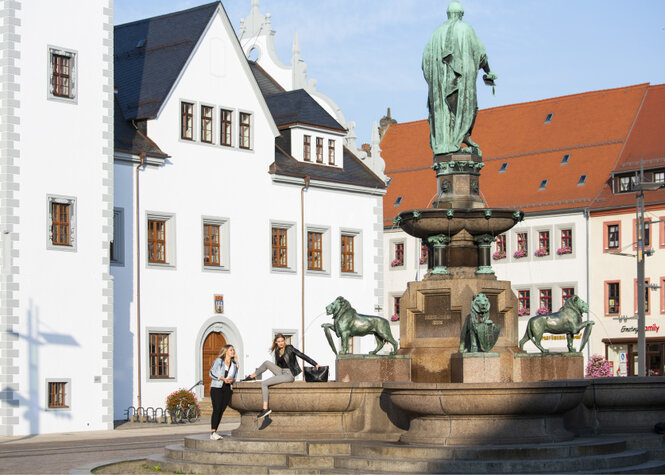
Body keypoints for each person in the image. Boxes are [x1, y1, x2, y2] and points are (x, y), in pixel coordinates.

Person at [422, 0, 497, 157]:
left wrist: (435, 83)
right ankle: (459, 138)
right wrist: (488, 72)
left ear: (448, 14)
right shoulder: (466, 28)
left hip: (439, 86)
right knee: (467, 108)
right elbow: (481, 54)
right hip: (462, 83)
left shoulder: (436, 33)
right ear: (461, 15)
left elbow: (425, 63)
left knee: (445, 111)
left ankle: (451, 140)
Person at [242, 333, 319, 419]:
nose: (281, 343)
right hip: (281, 372)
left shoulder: (289, 348)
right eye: (279, 341)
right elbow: (277, 366)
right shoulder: (277, 351)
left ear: (284, 341)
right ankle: (252, 376)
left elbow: (301, 355)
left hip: (289, 375)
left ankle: (265, 408)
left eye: (282, 341)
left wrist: (315, 364)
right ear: (276, 342)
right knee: (267, 363)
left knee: (264, 383)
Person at [208, 344, 237, 440]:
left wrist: (232, 380)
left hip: (227, 388)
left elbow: (234, 377)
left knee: (221, 410)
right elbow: (211, 373)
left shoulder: (234, 364)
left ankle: (215, 431)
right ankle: (213, 432)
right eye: (230, 350)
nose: (232, 352)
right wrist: (222, 378)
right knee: (217, 409)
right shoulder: (219, 361)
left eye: (233, 350)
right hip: (217, 387)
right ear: (225, 352)